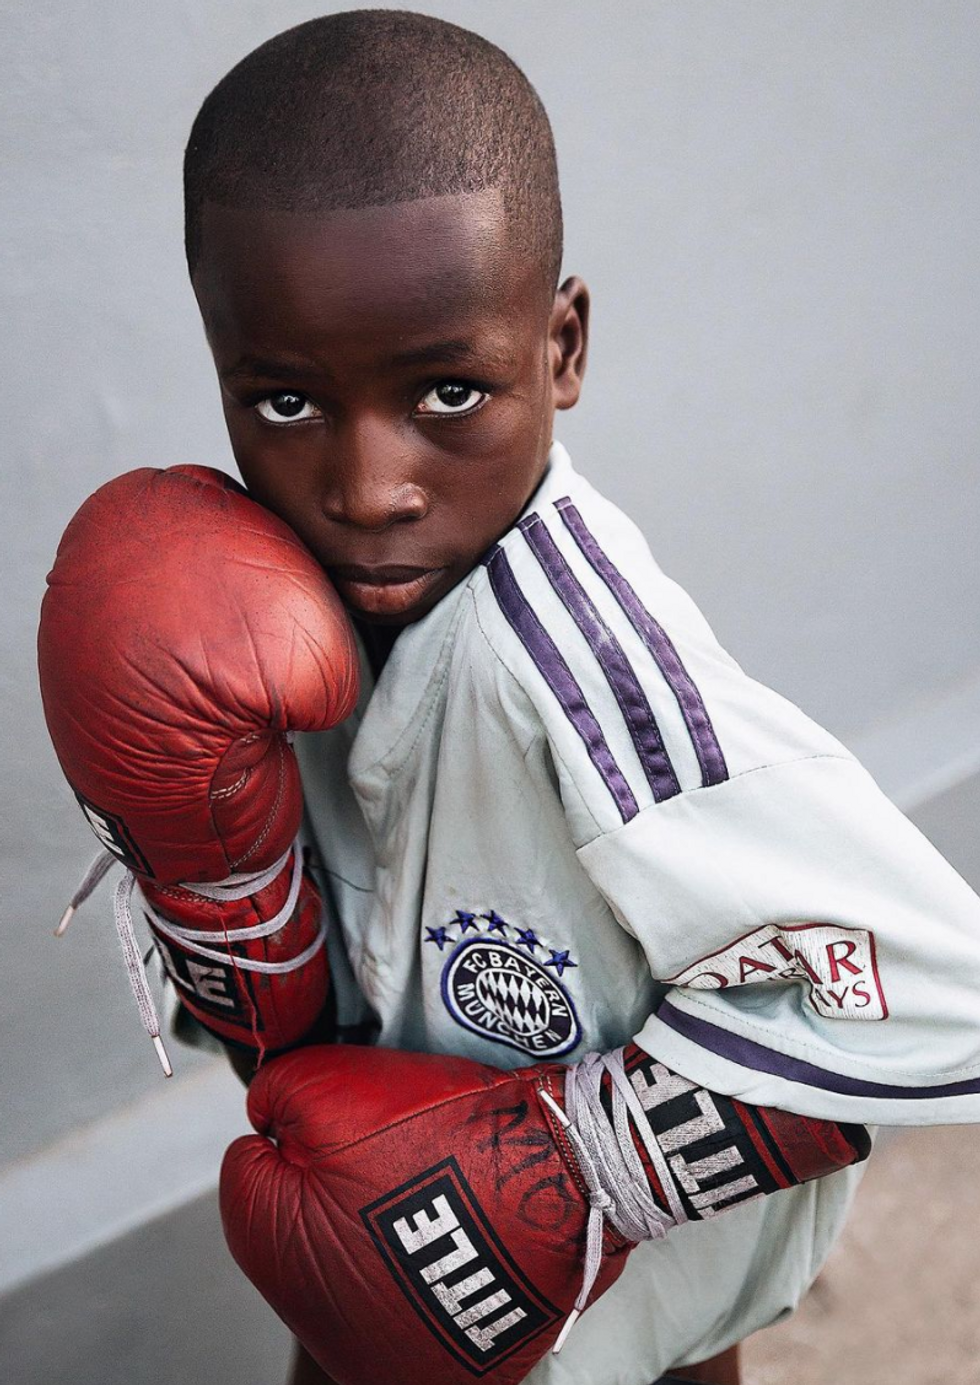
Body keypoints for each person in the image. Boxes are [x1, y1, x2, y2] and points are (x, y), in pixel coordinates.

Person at [54, 10, 980, 1385]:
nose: (370, 491)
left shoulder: (583, 670)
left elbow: (937, 984)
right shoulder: (251, 597)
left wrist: (589, 1163)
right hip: (365, 1243)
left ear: (561, 350)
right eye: (287, 406)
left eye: (447, 391)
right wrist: (214, 898)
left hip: (606, 1305)